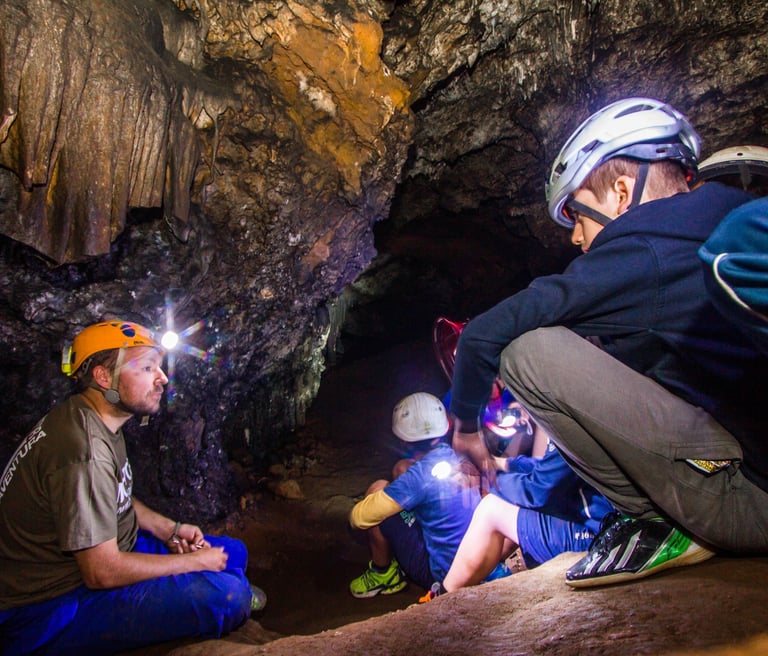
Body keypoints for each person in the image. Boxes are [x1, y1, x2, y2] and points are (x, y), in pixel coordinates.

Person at [449, 97, 768, 588]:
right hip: (747, 465)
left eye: (577, 215)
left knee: (526, 352)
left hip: (749, 506)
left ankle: (654, 520)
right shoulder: (737, 214)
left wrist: (466, 428)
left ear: (622, 192)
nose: (576, 238)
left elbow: (483, 334)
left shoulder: (641, 250)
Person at [0, 320, 265, 655]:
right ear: (102, 377)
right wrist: (194, 564)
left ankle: (220, 584)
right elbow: (101, 572)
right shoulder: (84, 451)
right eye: (146, 368)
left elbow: (115, 494)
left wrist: (169, 528)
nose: (163, 378)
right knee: (228, 597)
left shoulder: (92, 417)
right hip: (52, 602)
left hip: (111, 550)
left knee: (234, 553)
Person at [347, 392, 508, 598]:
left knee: (377, 490)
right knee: (402, 469)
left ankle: (383, 574)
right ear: (445, 428)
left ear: (403, 441)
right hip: (483, 563)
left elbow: (359, 518)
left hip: (444, 576)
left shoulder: (418, 478)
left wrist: (404, 501)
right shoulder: (459, 456)